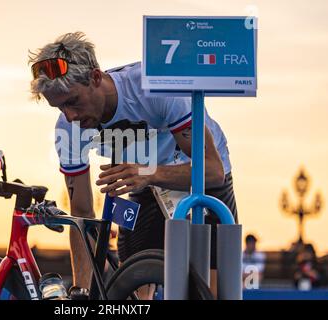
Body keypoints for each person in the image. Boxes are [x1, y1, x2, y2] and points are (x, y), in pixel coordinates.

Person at [29, 32, 238, 296]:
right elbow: (82, 214)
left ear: (95, 77)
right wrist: (80, 291)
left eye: (73, 102)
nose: (71, 116)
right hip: (142, 183)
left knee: (211, 291)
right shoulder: (68, 129)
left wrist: (149, 173)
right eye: (59, 108)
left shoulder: (153, 89)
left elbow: (213, 171)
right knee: (132, 284)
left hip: (195, 175)